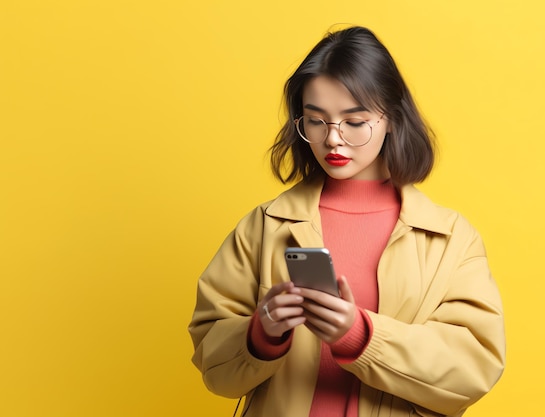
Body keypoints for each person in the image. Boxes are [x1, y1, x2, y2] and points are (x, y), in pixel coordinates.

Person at [188, 26, 505, 417]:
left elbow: (474, 369)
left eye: (354, 122)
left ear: (392, 119)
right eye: (316, 121)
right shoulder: (264, 226)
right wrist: (260, 334)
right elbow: (213, 362)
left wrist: (359, 336)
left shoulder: (452, 239)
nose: (333, 139)